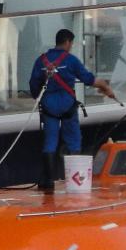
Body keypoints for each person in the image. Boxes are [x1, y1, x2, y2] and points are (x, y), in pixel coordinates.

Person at [29, 29, 114, 190]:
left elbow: (33, 84)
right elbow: (88, 79)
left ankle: (48, 181)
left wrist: (39, 97)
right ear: (67, 42)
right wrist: (105, 87)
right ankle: (75, 180)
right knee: (74, 140)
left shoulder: (41, 61)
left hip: (48, 106)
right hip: (67, 105)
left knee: (50, 142)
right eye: (71, 44)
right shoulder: (71, 60)